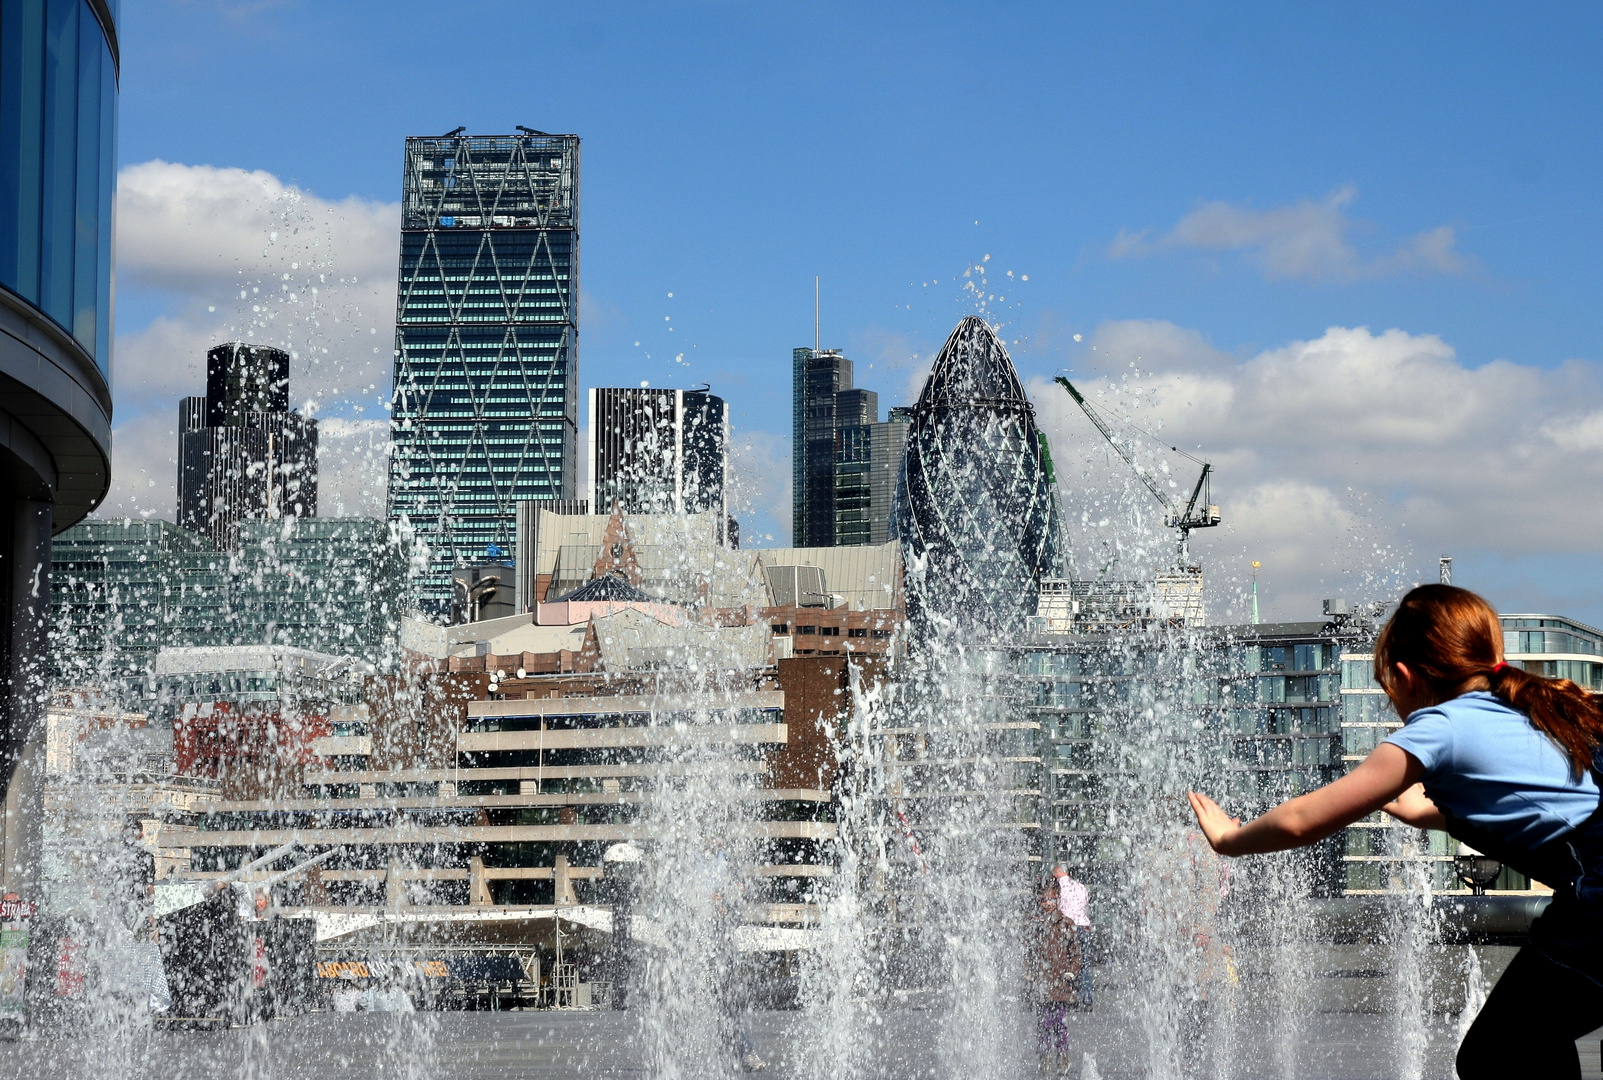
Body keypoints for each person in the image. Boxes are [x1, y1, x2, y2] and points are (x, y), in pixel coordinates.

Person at [1188, 585, 1603, 1079]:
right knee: (1529, 1040)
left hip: (1596, 909)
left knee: (1496, 1053)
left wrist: (1230, 840)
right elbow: (1539, 806)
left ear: (1404, 678)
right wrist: (1418, 810)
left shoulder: (1440, 726)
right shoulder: (1537, 708)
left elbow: (1302, 821)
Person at [1030, 882, 1083, 1074]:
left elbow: (1076, 954)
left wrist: (1071, 971)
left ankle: (1062, 1059)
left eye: (1051, 899)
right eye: (1043, 899)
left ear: (1059, 899)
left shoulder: (1066, 923)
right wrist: (1029, 971)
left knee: (1060, 1023)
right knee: (1044, 1024)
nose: (1047, 903)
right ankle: (1045, 1060)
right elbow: (1029, 952)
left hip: (1060, 983)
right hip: (1043, 983)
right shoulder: (1036, 923)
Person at [1050, 864, 1094, 1010]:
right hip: (1083, 926)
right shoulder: (1081, 887)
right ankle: (1087, 998)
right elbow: (1085, 905)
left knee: (1065, 963)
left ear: (1056, 874)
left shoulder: (1058, 889)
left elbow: (1056, 908)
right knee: (1084, 964)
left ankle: (1068, 997)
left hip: (1067, 928)